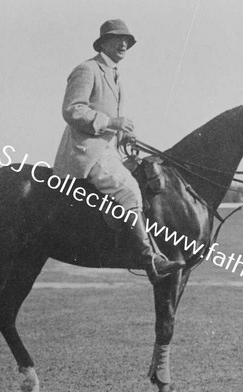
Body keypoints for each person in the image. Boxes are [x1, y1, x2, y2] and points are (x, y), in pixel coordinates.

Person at [53, 19, 185, 280]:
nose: (124, 43)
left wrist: (123, 134)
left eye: (127, 40)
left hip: (107, 150)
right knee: (129, 190)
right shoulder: (87, 69)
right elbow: (72, 109)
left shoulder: (115, 77)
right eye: (118, 38)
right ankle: (150, 260)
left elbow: (107, 122)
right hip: (85, 152)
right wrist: (112, 122)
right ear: (103, 43)